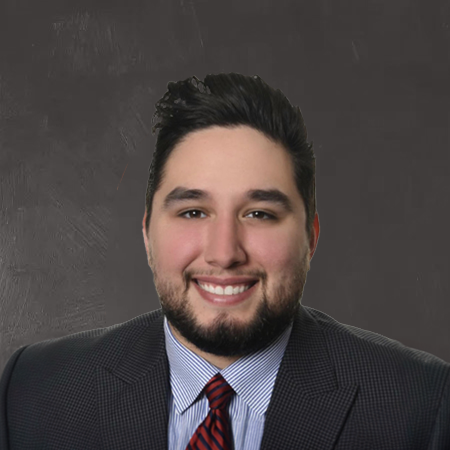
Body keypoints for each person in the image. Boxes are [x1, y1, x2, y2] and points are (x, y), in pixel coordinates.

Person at [1, 73, 449, 450]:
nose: (224, 252)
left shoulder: (422, 408)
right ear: (147, 232)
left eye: (260, 214)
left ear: (310, 237)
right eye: (193, 212)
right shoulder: (33, 392)